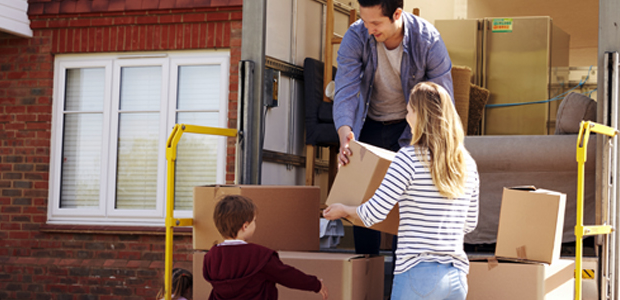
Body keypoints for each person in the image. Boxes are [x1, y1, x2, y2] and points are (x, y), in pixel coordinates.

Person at [325, 82, 479, 300]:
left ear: (419, 115)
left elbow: (373, 213)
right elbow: (469, 223)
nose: (407, 117)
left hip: (417, 275)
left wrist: (343, 210)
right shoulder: (467, 164)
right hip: (456, 278)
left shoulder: (408, 159)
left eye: (408, 111)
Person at [333, 0, 455, 256]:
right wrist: (345, 134)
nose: (369, 29)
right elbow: (345, 90)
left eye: (375, 23)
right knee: (363, 197)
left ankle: (403, 274)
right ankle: (365, 277)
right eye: (365, 21)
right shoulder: (356, 36)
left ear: (397, 14)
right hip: (368, 125)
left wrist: (435, 149)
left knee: (409, 201)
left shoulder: (428, 40)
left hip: (412, 128)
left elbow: (442, 100)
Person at [202, 195, 329, 300]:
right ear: (245, 226)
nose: (255, 224)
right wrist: (315, 284)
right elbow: (288, 276)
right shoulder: (260, 256)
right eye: (254, 221)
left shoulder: (210, 257)